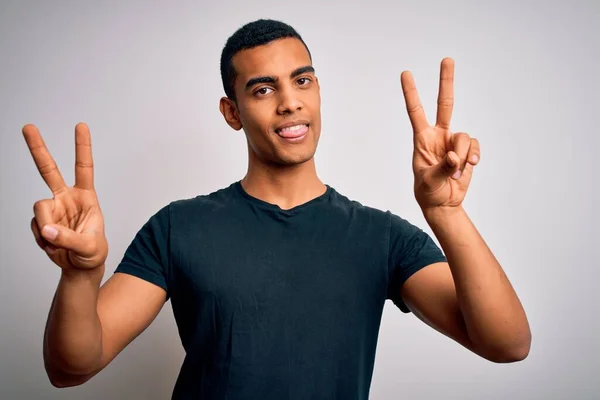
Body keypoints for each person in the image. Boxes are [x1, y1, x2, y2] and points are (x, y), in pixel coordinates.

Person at [23, 19, 531, 399]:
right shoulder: (179, 227)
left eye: (302, 81)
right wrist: (81, 275)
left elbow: (507, 343)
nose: (289, 102)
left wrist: (445, 214)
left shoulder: (383, 238)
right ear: (232, 113)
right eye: (263, 89)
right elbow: (71, 368)